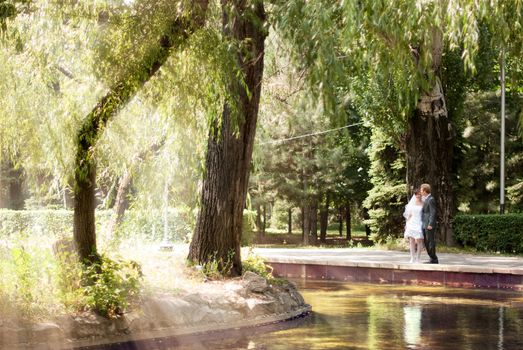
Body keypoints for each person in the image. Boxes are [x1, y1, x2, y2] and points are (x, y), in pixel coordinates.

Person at [403, 190, 424, 263]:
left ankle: (418, 258)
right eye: (417, 195)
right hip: (411, 223)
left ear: (421, 195)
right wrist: (406, 224)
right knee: (411, 241)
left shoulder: (423, 204)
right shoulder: (412, 204)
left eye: (419, 194)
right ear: (415, 195)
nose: (418, 196)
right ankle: (412, 258)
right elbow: (409, 215)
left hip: (419, 223)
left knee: (419, 241)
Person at [420, 183, 438, 264]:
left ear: (425, 191)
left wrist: (431, 224)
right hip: (424, 224)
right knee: (427, 242)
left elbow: (433, 213)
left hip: (428, 225)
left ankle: (434, 259)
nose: (420, 191)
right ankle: (431, 257)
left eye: (421, 190)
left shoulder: (431, 199)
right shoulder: (426, 199)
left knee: (430, 242)